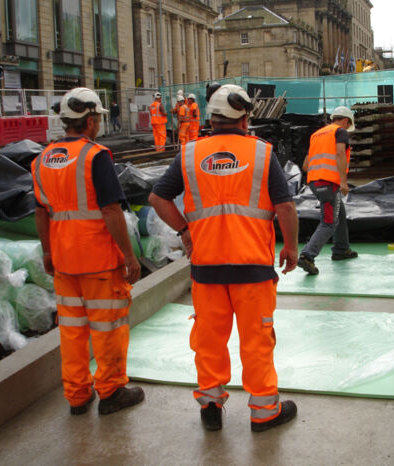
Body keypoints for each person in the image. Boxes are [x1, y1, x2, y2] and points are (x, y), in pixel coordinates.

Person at [148, 83, 300, 433]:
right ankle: (264, 413)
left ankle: (211, 406)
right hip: (253, 269)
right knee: (257, 341)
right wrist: (290, 247)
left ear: (212, 119)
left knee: (209, 340)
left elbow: (158, 199)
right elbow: (286, 206)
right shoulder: (262, 153)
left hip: (206, 268)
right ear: (246, 118)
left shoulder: (189, 154)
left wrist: (185, 231)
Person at [32, 87, 144, 416]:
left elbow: (41, 212)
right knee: (107, 328)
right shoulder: (96, 156)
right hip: (97, 261)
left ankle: (78, 395)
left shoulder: (41, 160)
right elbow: (110, 211)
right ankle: (110, 392)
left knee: (72, 331)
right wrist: (129, 255)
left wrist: (48, 253)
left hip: (64, 262)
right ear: (91, 121)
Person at [297, 106, 358, 275]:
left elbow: (305, 164)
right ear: (345, 121)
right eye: (348, 125)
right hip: (329, 183)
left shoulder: (317, 134)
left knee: (340, 213)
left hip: (315, 182)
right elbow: (340, 154)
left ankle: (341, 249)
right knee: (329, 223)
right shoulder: (340, 132)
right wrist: (343, 182)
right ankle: (307, 256)